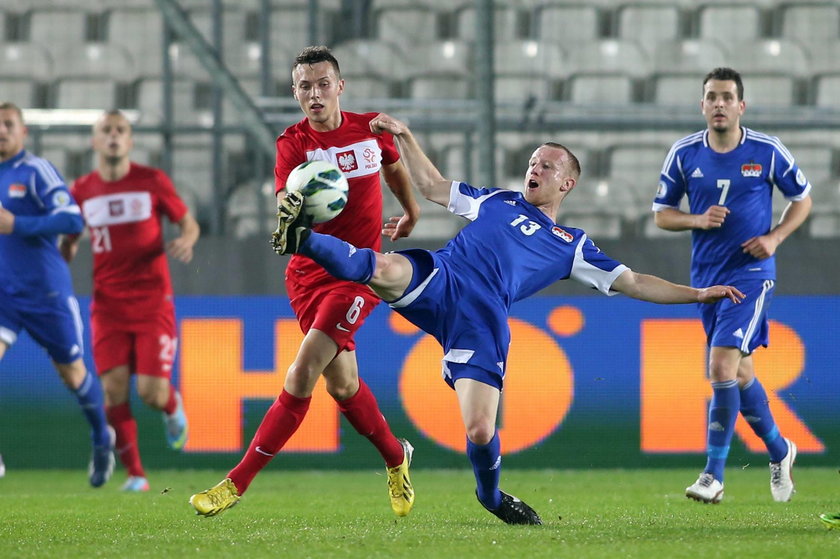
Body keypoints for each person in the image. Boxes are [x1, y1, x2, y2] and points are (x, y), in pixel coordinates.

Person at [270, 113, 745, 525]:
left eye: (548, 165)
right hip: (442, 277)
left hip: (481, 321)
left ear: (567, 183)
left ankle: (490, 495)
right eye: (533, 162)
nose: (535, 168)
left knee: (480, 430)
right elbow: (434, 187)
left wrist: (700, 293)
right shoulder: (497, 200)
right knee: (381, 265)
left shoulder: (572, 243)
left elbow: (636, 282)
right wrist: (405, 136)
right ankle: (301, 238)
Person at [190, 46, 421, 517]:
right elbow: (283, 200)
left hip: (358, 275)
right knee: (342, 386)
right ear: (294, 93)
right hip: (306, 277)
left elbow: (394, 166)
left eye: (321, 84)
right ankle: (397, 457)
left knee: (301, 373)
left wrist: (412, 213)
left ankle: (234, 485)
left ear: (340, 86)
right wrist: (291, 215)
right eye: (303, 87)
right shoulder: (292, 143)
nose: (313, 94)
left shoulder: (370, 129)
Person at [652, 67, 812, 504]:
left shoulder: (767, 150)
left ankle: (712, 475)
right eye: (711, 97)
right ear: (702, 105)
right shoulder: (684, 154)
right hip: (707, 279)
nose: (719, 104)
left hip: (752, 275)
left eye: (727, 97)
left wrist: (775, 237)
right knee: (740, 373)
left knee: (721, 367)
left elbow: (803, 198)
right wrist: (696, 219)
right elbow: (661, 214)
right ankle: (781, 451)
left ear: (741, 106)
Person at [60, 110, 199, 492]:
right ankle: (136, 474)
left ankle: (172, 407)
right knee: (113, 390)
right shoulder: (82, 190)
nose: (114, 137)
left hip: (153, 302)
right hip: (107, 305)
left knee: (150, 393)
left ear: (131, 140)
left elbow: (187, 221)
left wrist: (186, 239)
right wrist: (66, 249)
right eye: (106, 131)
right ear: (95, 141)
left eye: (121, 130)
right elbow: (70, 234)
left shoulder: (151, 181)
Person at [0, 101, 114, 488]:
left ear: (22, 131)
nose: (1, 130)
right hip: (3, 294)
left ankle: (102, 437)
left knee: (73, 373)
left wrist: (17, 223)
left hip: (45, 291)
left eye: (8, 124)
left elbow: (71, 218)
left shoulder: (35, 171)